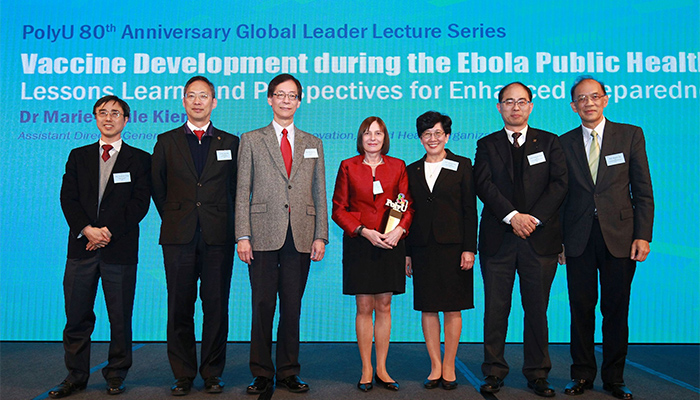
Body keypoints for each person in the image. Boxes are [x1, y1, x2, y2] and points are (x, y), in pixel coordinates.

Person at [559, 76, 653, 400]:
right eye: (581, 99)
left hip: (621, 238)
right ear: (573, 106)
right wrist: (558, 241)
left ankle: (615, 377)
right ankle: (581, 374)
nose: (589, 103)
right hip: (578, 238)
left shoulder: (630, 135)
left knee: (616, 309)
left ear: (606, 99)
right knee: (580, 309)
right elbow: (560, 196)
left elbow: (643, 191)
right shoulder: (564, 142)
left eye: (594, 96)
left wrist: (643, 235)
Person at [50, 95, 151, 398]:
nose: (109, 118)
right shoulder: (78, 156)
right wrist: (87, 230)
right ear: (95, 118)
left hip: (119, 249)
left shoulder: (141, 159)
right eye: (103, 113)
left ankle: (117, 373)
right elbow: (68, 198)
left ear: (126, 119)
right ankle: (75, 376)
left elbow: (139, 204)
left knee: (120, 317)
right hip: (81, 249)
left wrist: (107, 232)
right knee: (77, 316)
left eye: (115, 113)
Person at [473, 82, 568, 397]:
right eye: (508, 102)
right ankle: (494, 372)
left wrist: (533, 219)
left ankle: (538, 373)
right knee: (496, 308)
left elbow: (559, 185)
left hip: (539, 239)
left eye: (521, 101)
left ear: (531, 106)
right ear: (498, 106)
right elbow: (483, 185)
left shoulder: (551, 142)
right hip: (498, 239)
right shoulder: (487, 144)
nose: (515, 107)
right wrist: (513, 217)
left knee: (537, 309)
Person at [236, 73, 328, 395]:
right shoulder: (251, 139)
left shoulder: (312, 143)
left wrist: (321, 235)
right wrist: (242, 235)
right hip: (261, 234)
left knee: (292, 306)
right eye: (280, 94)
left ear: (299, 102)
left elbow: (319, 192)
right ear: (270, 99)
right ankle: (261, 371)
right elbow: (242, 190)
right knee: (262, 304)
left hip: (301, 235)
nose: (286, 100)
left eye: (292, 96)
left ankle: (289, 370)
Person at [151, 76, 239, 396]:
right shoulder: (166, 140)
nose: (198, 101)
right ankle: (183, 373)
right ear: (183, 101)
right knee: (179, 306)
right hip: (179, 235)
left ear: (214, 102)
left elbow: (236, 189)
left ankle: (213, 372)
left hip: (218, 236)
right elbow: (158, 187)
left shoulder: (230, 142)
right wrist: (178, 216)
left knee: (216, 306)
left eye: (204, 96)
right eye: (192, 96)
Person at [332, 116, 414, 393]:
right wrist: (363, 230)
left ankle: (382, 367)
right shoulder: (348, 166)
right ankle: (366, 368)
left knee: (385, 306)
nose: (373, 138)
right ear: (360, 137)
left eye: (378, 133)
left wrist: (399, 230)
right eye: (367, 133)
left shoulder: (398, 166)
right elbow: (338, 208)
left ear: (385, 137)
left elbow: (406, 205)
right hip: (360, 243)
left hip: (390, 243)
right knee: (364, 307)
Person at [405, 111, 477, 391]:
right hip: (422, 248)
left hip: (454, 248)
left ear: (447, 136)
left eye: (437, 133)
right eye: (426, 134)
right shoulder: (411, 170)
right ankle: (435, 365)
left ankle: (450, 365)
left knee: (452, 307)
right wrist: (406, 253)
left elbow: (470, 211)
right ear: (420, 138)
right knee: (428, 307)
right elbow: (405, 212)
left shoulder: (462, 165)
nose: (432, 139)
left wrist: (470, 248)